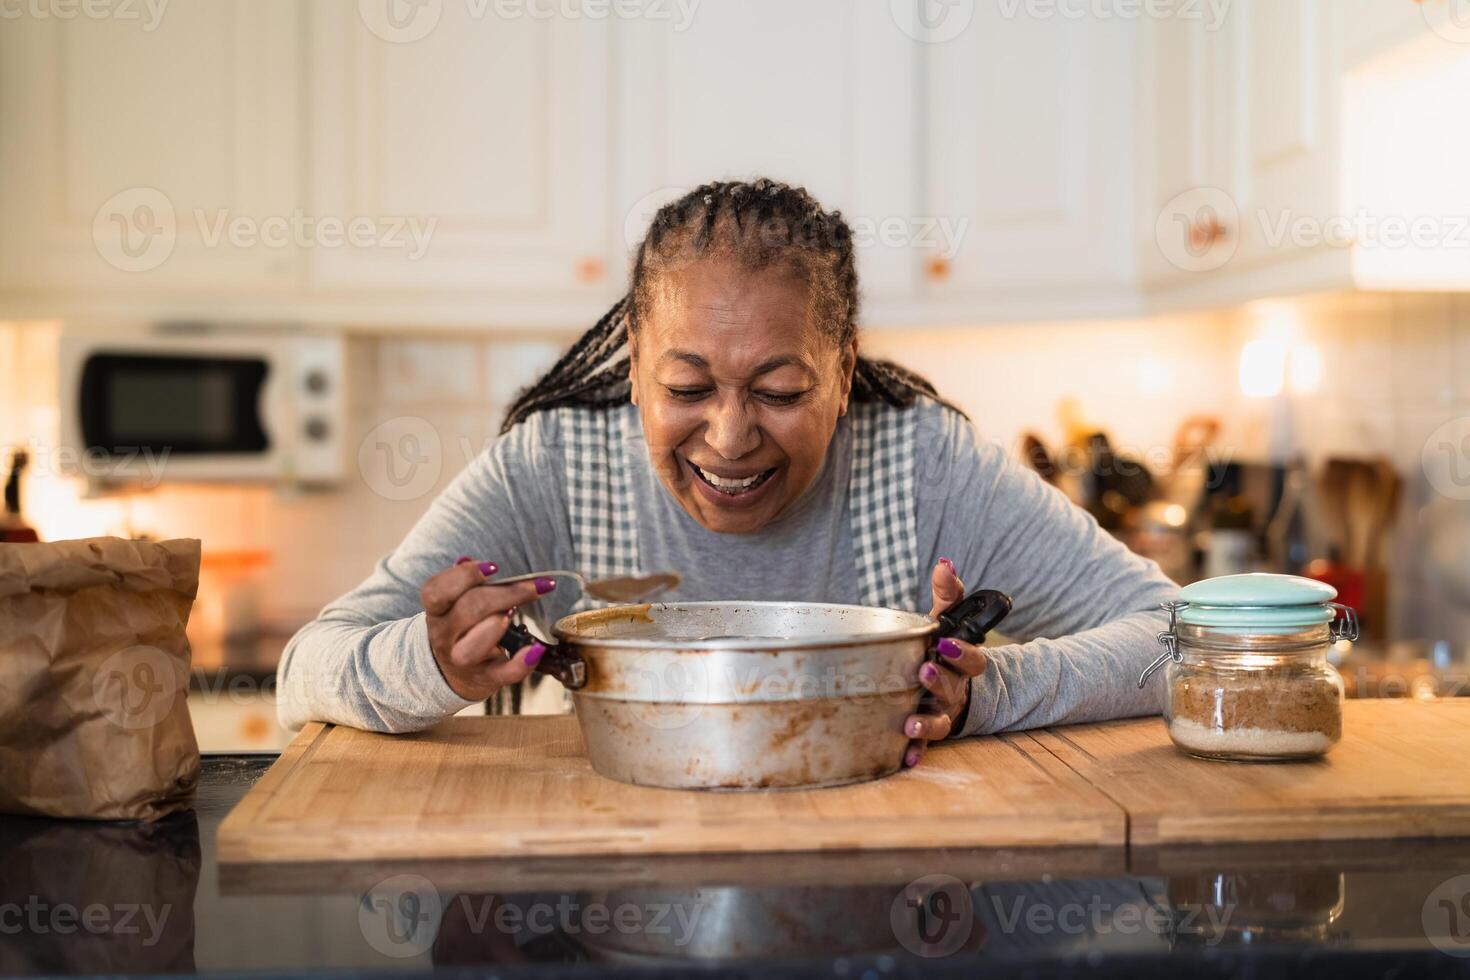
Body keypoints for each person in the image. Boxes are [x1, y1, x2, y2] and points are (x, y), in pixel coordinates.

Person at [276, 178, 1176, 768]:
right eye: (688, 385)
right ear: (633, 362)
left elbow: (1178, 639)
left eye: (780, 389)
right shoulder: (552, 467)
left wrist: (988, 693)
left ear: (843, 365)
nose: (731, 435)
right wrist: (428, 662)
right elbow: (302, 672)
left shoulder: (921, 461)